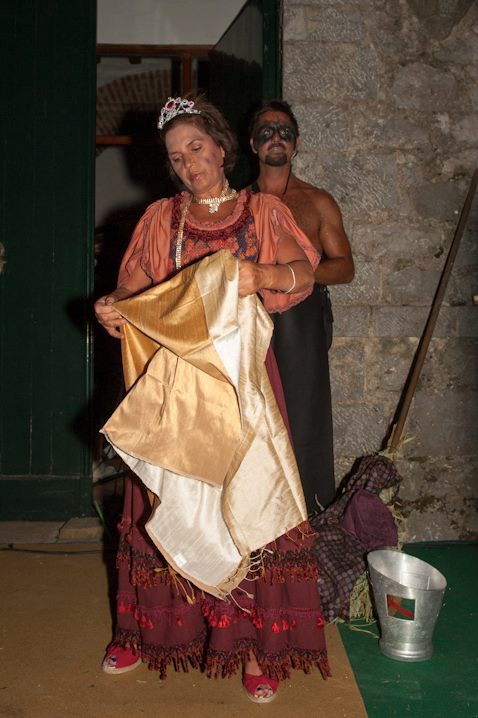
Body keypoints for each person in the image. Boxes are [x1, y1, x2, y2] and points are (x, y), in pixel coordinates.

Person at [94, 95, 330, 703]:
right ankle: (141, 631)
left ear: (223, 149)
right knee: (162, 499)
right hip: (174, 385)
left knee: (247, 503)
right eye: (176, 157)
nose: (188, 164)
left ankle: (252, 647)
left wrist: (263, 276)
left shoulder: (264, 211)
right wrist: (112, 306)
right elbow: (132, 287)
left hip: (243, 381)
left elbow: (305, 273)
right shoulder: (160, 219)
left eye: (196, 148)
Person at [248, 99, 355, 514]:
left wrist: (294, 274)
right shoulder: (238, 204)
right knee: (253, 416)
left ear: (296, 144)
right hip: (251, 318)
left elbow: (344, 267)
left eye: (285, 132)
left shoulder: (317, 201)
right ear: (253, 144)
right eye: (266, 131)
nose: (276, 138)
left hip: (303, 320)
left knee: (303, 417)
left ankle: (309, 519)